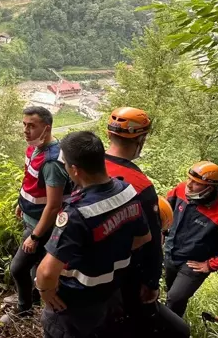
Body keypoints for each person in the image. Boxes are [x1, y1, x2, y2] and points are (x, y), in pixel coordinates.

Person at [36, 131, 152, 338]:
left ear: (75, 169)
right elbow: (143, 238)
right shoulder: (128, 192)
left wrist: (46, 292)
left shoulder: (77, 213)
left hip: (75, 304)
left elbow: (46, 273)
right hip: (111, 292)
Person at [104, 108, 189, 337]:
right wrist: (151, 282)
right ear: (141, 138)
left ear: (109, 134)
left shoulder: (88, 167)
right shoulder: (140, 185)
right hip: (126, 270)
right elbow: (151, 241)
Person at [11, 106, 70, 315]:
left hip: (41, 226)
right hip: (32, 217)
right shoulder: (35, 148)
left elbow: (54, 205)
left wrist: (35, 237)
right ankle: (34, 299)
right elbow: (31, 180)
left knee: (17, 269)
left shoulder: (52, 162)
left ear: (47, 128)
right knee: (36, 264)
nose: (26, 130)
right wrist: (22, 203)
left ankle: (24, 309)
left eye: (32, 126)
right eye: (24, 125)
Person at [165, 161, 218, 318]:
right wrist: (161, 236)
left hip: (194, 263)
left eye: (196, 183)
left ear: (209, 187)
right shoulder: (180, 190)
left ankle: (164, 330)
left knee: (175, 297)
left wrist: (210, 264)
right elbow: (164, 212)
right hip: (171, 253)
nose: (189, 185)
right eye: (189, 179)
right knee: (173, 296)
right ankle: (173, 326)